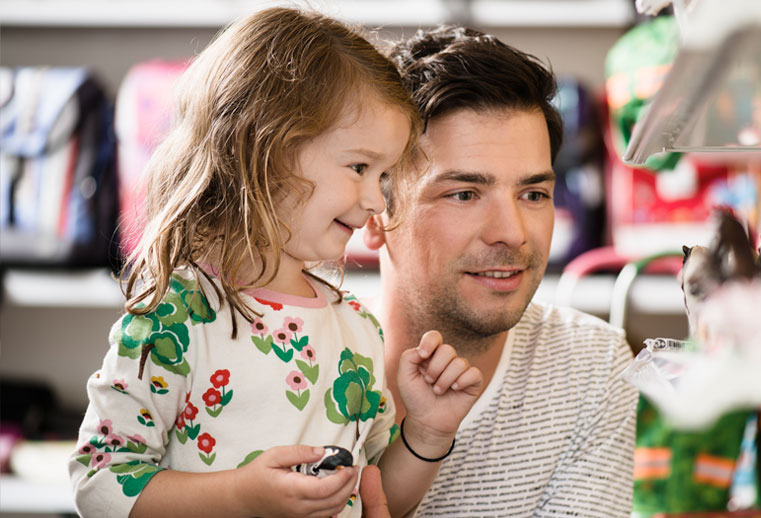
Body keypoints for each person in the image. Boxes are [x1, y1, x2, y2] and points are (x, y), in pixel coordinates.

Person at [68, 8, 481, 518]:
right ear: (265, 148)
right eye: (359, 167)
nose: (378, 201)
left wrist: (428, 431)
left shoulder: (356, 328)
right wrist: (241, 496)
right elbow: (99, 483)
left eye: (385, 177)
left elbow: (377, 495)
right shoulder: (177, 315)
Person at [362, 26, 639, 516]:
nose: (512, 233)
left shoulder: (589, 368)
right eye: (464, 194)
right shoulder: (295, 361)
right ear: (372, 213)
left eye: (533, 194)